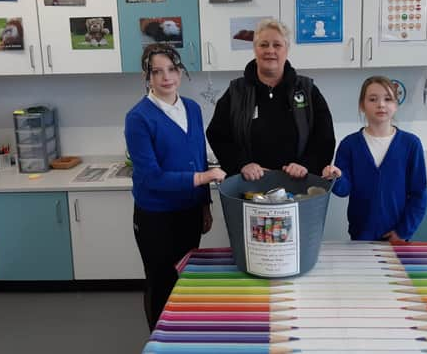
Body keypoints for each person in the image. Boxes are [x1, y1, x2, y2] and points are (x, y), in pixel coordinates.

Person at [125, 43, 226, 331]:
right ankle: (160, 341)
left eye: (171, 69)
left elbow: (198, 158)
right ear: (148, 77)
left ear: (180, 72)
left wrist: (204, 205)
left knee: (185, 279)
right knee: (160, 283)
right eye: (157, 71)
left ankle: (181, 336)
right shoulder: (138, 118)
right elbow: (151, 178)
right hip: (156, 217)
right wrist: (204, 180)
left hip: (190, 212)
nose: (166, 77)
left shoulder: (192, 109)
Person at [206, 18, 335, 181]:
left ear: (286, 49)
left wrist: (306, 166)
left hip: (297, 188)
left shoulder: (307, 90)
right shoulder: (236, 91)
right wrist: (242, 164)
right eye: (264, 44)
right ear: (255, 49)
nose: (270, 50)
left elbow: (324, 137)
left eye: (277, 45)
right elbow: (217, 135)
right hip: (250, 188)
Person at [322, 76, 427, 242]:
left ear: (396, 105)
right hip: (360, 236)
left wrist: (402, 232)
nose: (381, 104)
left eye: (388, 99)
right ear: (362, 105)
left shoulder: (411, 145)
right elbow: (343, 190)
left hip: (398, 238)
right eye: (373, 99)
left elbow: (419, 195)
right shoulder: (349, 145)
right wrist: (335, 177)